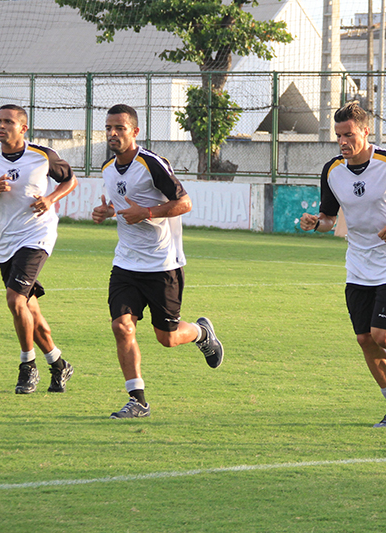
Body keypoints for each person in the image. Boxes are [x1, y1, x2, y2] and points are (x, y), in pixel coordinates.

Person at [300, 102, 386, 428]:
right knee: (365, 339)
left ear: (366, 132)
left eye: (349, 134)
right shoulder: (332, 170)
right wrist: (315, 223)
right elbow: (329, 218)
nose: (343, 142)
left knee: (385, 335)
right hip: (359, 262)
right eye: (338, 136)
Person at [92, 103, 224, 419]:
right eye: (109, 128)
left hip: (162, 264)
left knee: (166, 337)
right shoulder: (107, 168)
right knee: (122, 326)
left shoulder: (152, 163)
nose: (112, 133)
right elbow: (122, 202)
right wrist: (107, 211)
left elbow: (184, 203)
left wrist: (148, 213)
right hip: (126, 263)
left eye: (119, 128)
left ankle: (202, 333)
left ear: (135, 132)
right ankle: (137, 400)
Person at [0, 104, 77, 395]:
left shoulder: (41, 156)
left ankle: (28, 367)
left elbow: (69, 179)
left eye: (9, 122)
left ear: (23, 128)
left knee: (15, 300)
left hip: (37, 235)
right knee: (29, 310)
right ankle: (59, 362)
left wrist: (51, 199)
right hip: (5, 242)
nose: (1, 126)